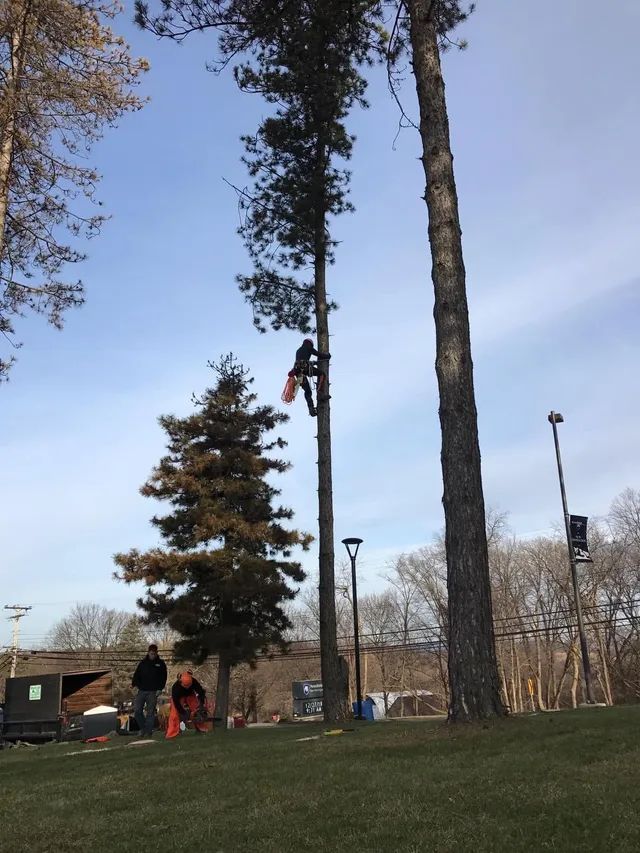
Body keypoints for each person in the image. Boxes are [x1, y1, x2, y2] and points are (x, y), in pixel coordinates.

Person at [131, 643, 167, 738]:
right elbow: (136, 675)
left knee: (150, 712)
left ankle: (148, 732)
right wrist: (134, 685)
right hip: (142, 690)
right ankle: (143, 728)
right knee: (137, 711)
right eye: (151, 653)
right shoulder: (143, 663)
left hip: (153, 691)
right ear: (148, 652)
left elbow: (164, 677)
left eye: (154, 654)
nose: (152, 655)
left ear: (156, 653)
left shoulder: (160, 664)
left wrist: (160, 688)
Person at [289, 338, 330, 417]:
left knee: (307, 391)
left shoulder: (299, 350)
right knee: (322, 374)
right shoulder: (308, 347)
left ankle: (311, 409)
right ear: (310, 344)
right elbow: (319, 354)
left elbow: (302, 360)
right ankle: (320, 394)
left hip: (298, 372)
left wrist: (314, 363)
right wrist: (327, 356)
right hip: (304, 368)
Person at [166, 671, 211, 739]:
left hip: (190, 695)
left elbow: (200, 692)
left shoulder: (194, 681)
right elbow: (176, 702)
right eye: (185, 686)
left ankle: (202, 728)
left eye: (188, 685)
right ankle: (172, 733)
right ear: (180, 682)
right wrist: (183, 713)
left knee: (198, 711)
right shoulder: (176, 687)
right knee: (174, 714)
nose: (187, 687)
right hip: (179, 698)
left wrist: (201, 704)